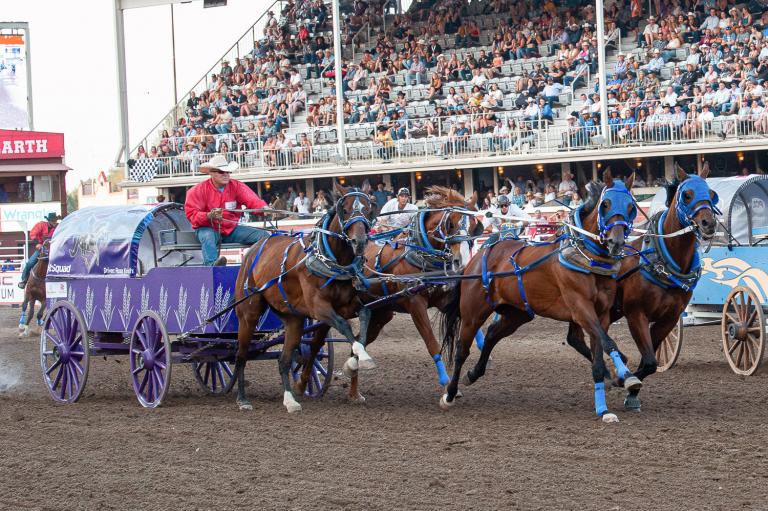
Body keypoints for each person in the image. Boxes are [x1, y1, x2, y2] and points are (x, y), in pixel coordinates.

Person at [184, 155, 269, 266]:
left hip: (231, 229)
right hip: (208, 229)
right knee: (208, 236)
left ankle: (260, 266)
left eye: (228, 172)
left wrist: (264, 208)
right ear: (211, 173)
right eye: (221, 172)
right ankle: (213, 267)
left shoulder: (237, 186)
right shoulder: (197, 190)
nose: (226, 174)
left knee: (263, 236)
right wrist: (209, 215)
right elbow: (192, 215)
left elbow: (252, 200)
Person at [18, 212, 59, 288]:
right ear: (49, 221)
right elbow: (33, 234)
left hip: (54, 250)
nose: (54, 222)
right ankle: (24, 280)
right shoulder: (41, 225)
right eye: (53, 221)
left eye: (55, 221)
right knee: (30, 263)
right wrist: (37, 244)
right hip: (42, 249)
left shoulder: (58, 227)